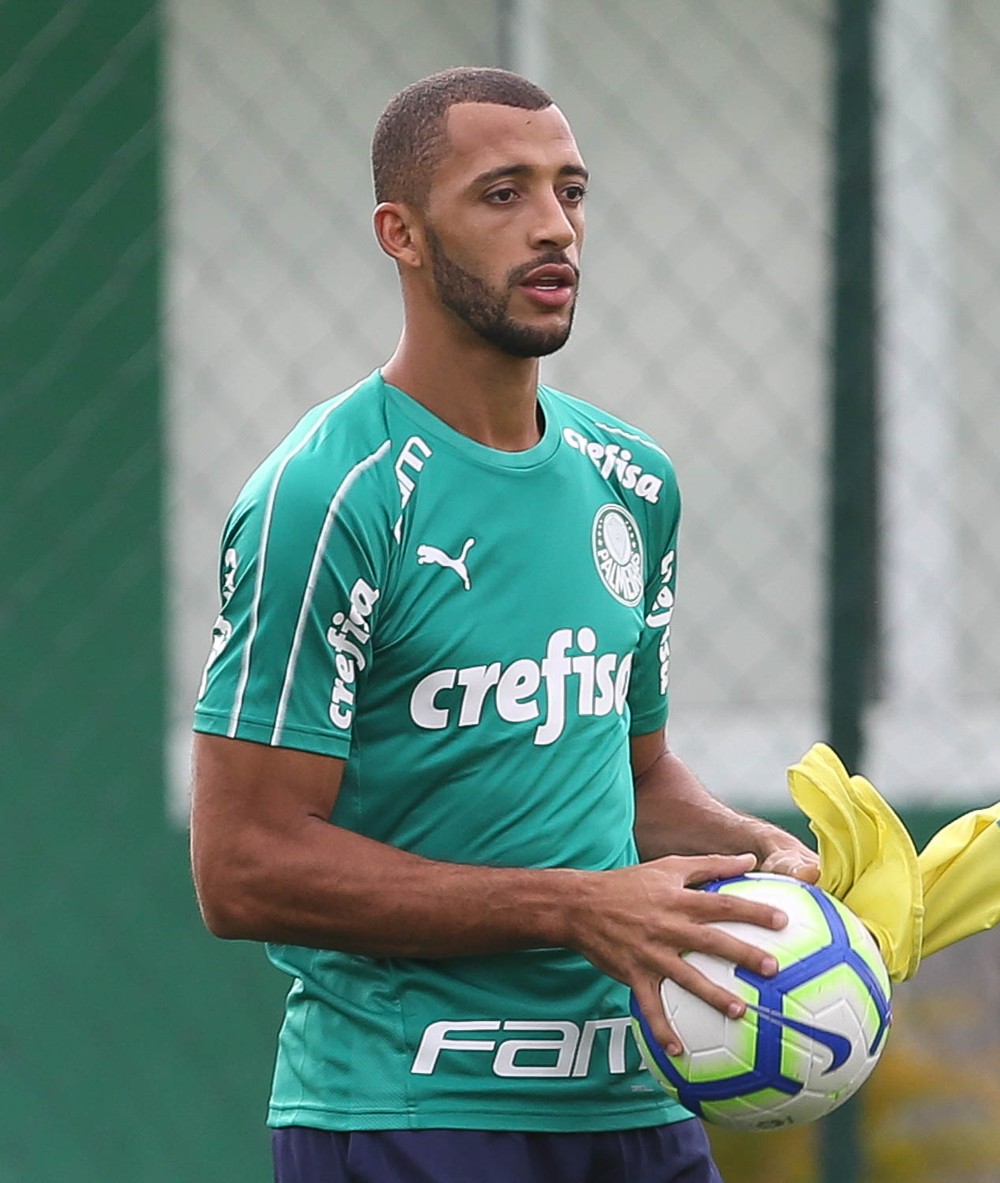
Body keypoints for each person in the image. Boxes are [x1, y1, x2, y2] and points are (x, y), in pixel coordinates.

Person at [190, 66, 819, 1183]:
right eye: (501, 194)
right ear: (403, 234)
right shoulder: (328, 497)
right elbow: (242, 865)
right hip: (410, 1110)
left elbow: (634, 777)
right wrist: (575, 907)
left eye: (571, 192)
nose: (553, 228)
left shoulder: (634, 482)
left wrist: (755, 851)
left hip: (639, 1103)